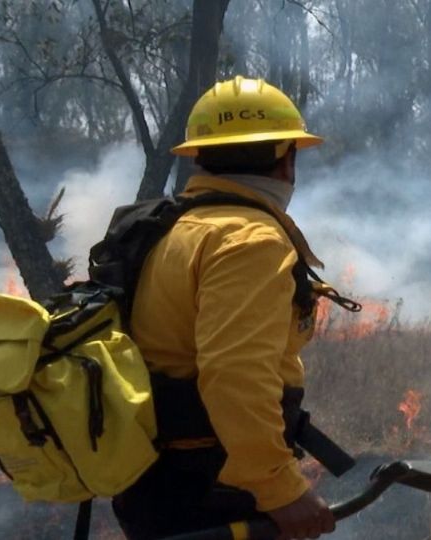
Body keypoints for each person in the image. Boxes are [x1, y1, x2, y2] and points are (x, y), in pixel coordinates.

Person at [111, 76, 341, 540]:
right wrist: (281, 491)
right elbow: (235, 375)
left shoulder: (176, 228)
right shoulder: (248, 241)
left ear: (199, 156)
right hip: (213, 481)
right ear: (285, 157)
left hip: (155, 474)